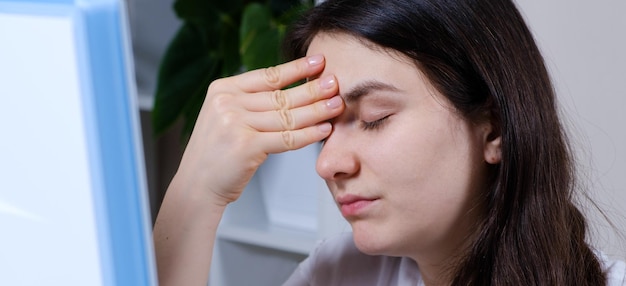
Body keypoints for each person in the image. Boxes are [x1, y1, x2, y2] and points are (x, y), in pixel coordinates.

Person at [153, 0, 626, 285]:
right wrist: (195, 195)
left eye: (375, 119)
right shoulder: (339, 273)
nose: (329, 165)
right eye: (328, 126)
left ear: (496, 127)